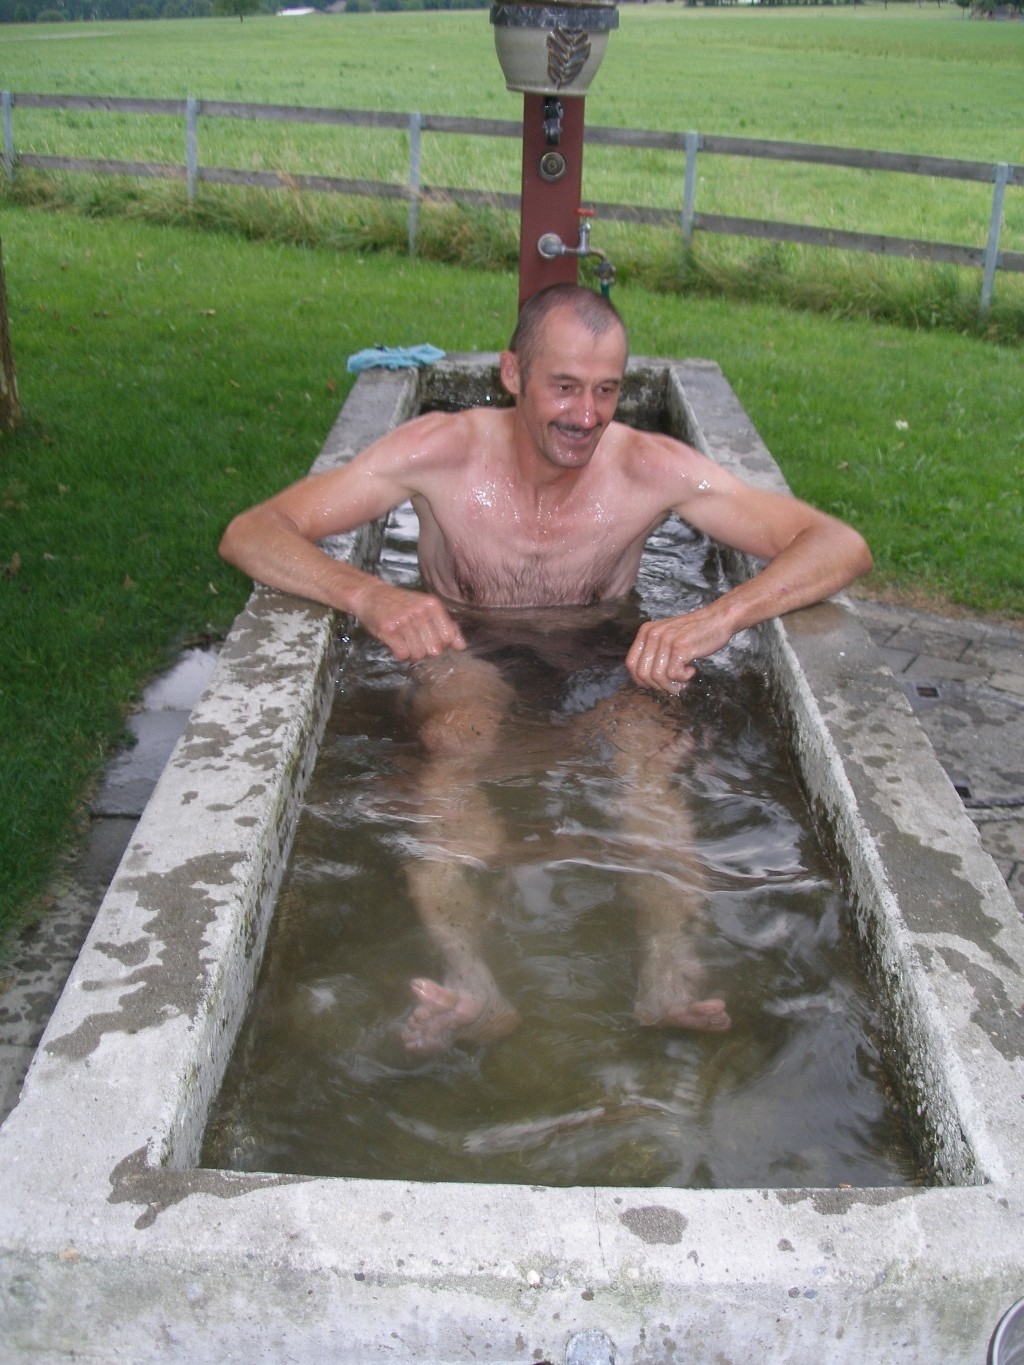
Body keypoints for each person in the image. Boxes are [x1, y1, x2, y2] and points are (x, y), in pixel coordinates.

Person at [220, 284, 872, 1055]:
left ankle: (669, 968)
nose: (587, 415)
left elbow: (837, 544)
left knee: (646, 759)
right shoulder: (440, 451)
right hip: (468, 652)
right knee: (457, 741)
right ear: (512, 373)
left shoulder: (649, 467)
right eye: (564, 386)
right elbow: (253, 531)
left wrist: (715, 617)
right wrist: (368, 595)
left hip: (607, 659)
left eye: (606, 390)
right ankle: (471, 978)